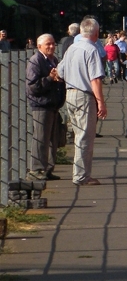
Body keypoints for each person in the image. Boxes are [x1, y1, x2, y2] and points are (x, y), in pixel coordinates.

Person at [57, 17, 107, 186]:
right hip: (84, 95)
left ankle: (82, 173)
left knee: (79, 134)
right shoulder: (91, 50)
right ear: (96, 33)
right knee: (85, 136)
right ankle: (81, 176)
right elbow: (95, 79)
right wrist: (101, 102)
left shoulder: (71, 48)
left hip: (69, 93)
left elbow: (60, 72)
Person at [26, 34, 66, 181]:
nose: (51, 46)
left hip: (52, 105)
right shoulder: (36, 61)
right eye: (48, 44)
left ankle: (48, 169)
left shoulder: (53, 60)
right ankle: (36, 169)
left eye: (53, 44)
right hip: (41, 105)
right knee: (40, 138)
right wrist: (50, 78)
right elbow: (33, 87)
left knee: (52, 139)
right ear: (40, 46)